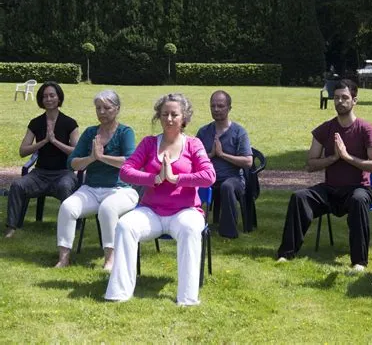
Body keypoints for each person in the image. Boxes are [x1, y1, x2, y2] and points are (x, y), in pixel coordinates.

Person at [105, 93, 216, 305]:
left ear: (184, 118)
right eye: (165, 114)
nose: (169, 118)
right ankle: (118, 293)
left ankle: (187, 298)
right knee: (125, 226)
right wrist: (154, 178)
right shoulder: (148, 143)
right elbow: (126, 171)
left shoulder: (194, 144)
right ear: (159, 116)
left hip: (185, 211)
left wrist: (176, 178)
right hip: (151, 211)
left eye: (175, 114)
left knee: (191, 229)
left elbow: (209, 176)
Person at [277, 79, 372, 272]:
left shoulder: (365, 129)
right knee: (300, 197)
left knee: (359, 200)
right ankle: (286, 253)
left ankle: (359, 262)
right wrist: (334, 157)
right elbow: (310, 165)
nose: (340, 102)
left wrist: (347, 157)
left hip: (359, 189)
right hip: (330, 189)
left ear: (354, 101)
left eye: (345, 98)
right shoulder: (325, 129)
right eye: (336, 98)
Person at [55, 90, 139, 270]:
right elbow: (72, 164)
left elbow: (131, 162)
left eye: (106, 108)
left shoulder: (125, 132)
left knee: (107, 209)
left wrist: (102, 157)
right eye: (98, 108)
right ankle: (64, 258)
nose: (102, 112)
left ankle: (110, 258)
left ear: (116, 109)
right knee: (67, 207)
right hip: (91, 189)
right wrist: (92, 158)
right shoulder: (90, 133)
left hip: (121, 189)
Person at [5, 81, 79, 238]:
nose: (48, 99)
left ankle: (70, 228)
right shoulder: (36, 123)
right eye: (45, 96)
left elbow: (76, 152)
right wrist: (44, 141)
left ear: (59, 98)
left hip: (64, 173)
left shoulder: (69, 123)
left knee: (66, 186)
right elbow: (22, 151)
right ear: (41, 100)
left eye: (52, 95)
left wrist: (55, 142)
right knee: (17, 185)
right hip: (40, 174)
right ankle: (11, 227)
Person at [196, 90, 252, 238]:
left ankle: (228, 233)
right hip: (209, 178)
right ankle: (192, 228)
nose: (216, 109)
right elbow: (193, 160)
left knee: (227, 186)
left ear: (229, 108)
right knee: (191, 183)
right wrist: (211, 155)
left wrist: (222, 155)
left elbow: (248, 161)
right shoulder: (203, 132)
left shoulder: (239, 132)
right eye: (213, 106)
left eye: (220, 106)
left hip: (233, 179)